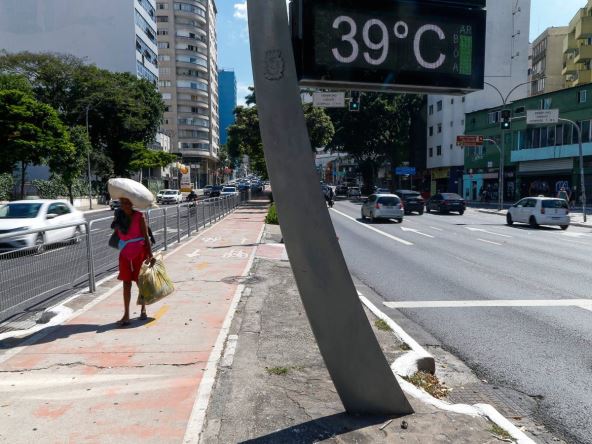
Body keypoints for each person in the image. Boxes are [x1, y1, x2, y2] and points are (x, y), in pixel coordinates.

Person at [111, 197, 153, 326]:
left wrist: (150, 254)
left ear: (132, 204)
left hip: (139, 253)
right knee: (126, 283)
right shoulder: (118, 216)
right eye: (123, 203)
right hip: (125, 254)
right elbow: (117, 233)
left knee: (140, 283)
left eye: (128, 203)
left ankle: (143, 308)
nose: (126, 206)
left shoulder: (139, 216)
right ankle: (126, 315)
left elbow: (146, 235)